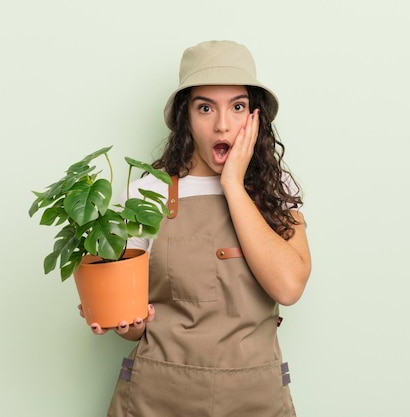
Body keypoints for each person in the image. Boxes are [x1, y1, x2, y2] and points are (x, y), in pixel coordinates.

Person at [79, 40, 311, 417]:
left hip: (255, 401)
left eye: (237, 107)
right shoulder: (146, 194)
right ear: (186, 117)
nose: (222, 124)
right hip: (156, 399)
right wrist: (125, 324)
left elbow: (288, 286)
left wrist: (234, 185)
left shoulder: (276, 192)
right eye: (205, 107)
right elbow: (134, 325)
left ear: (255, 117)